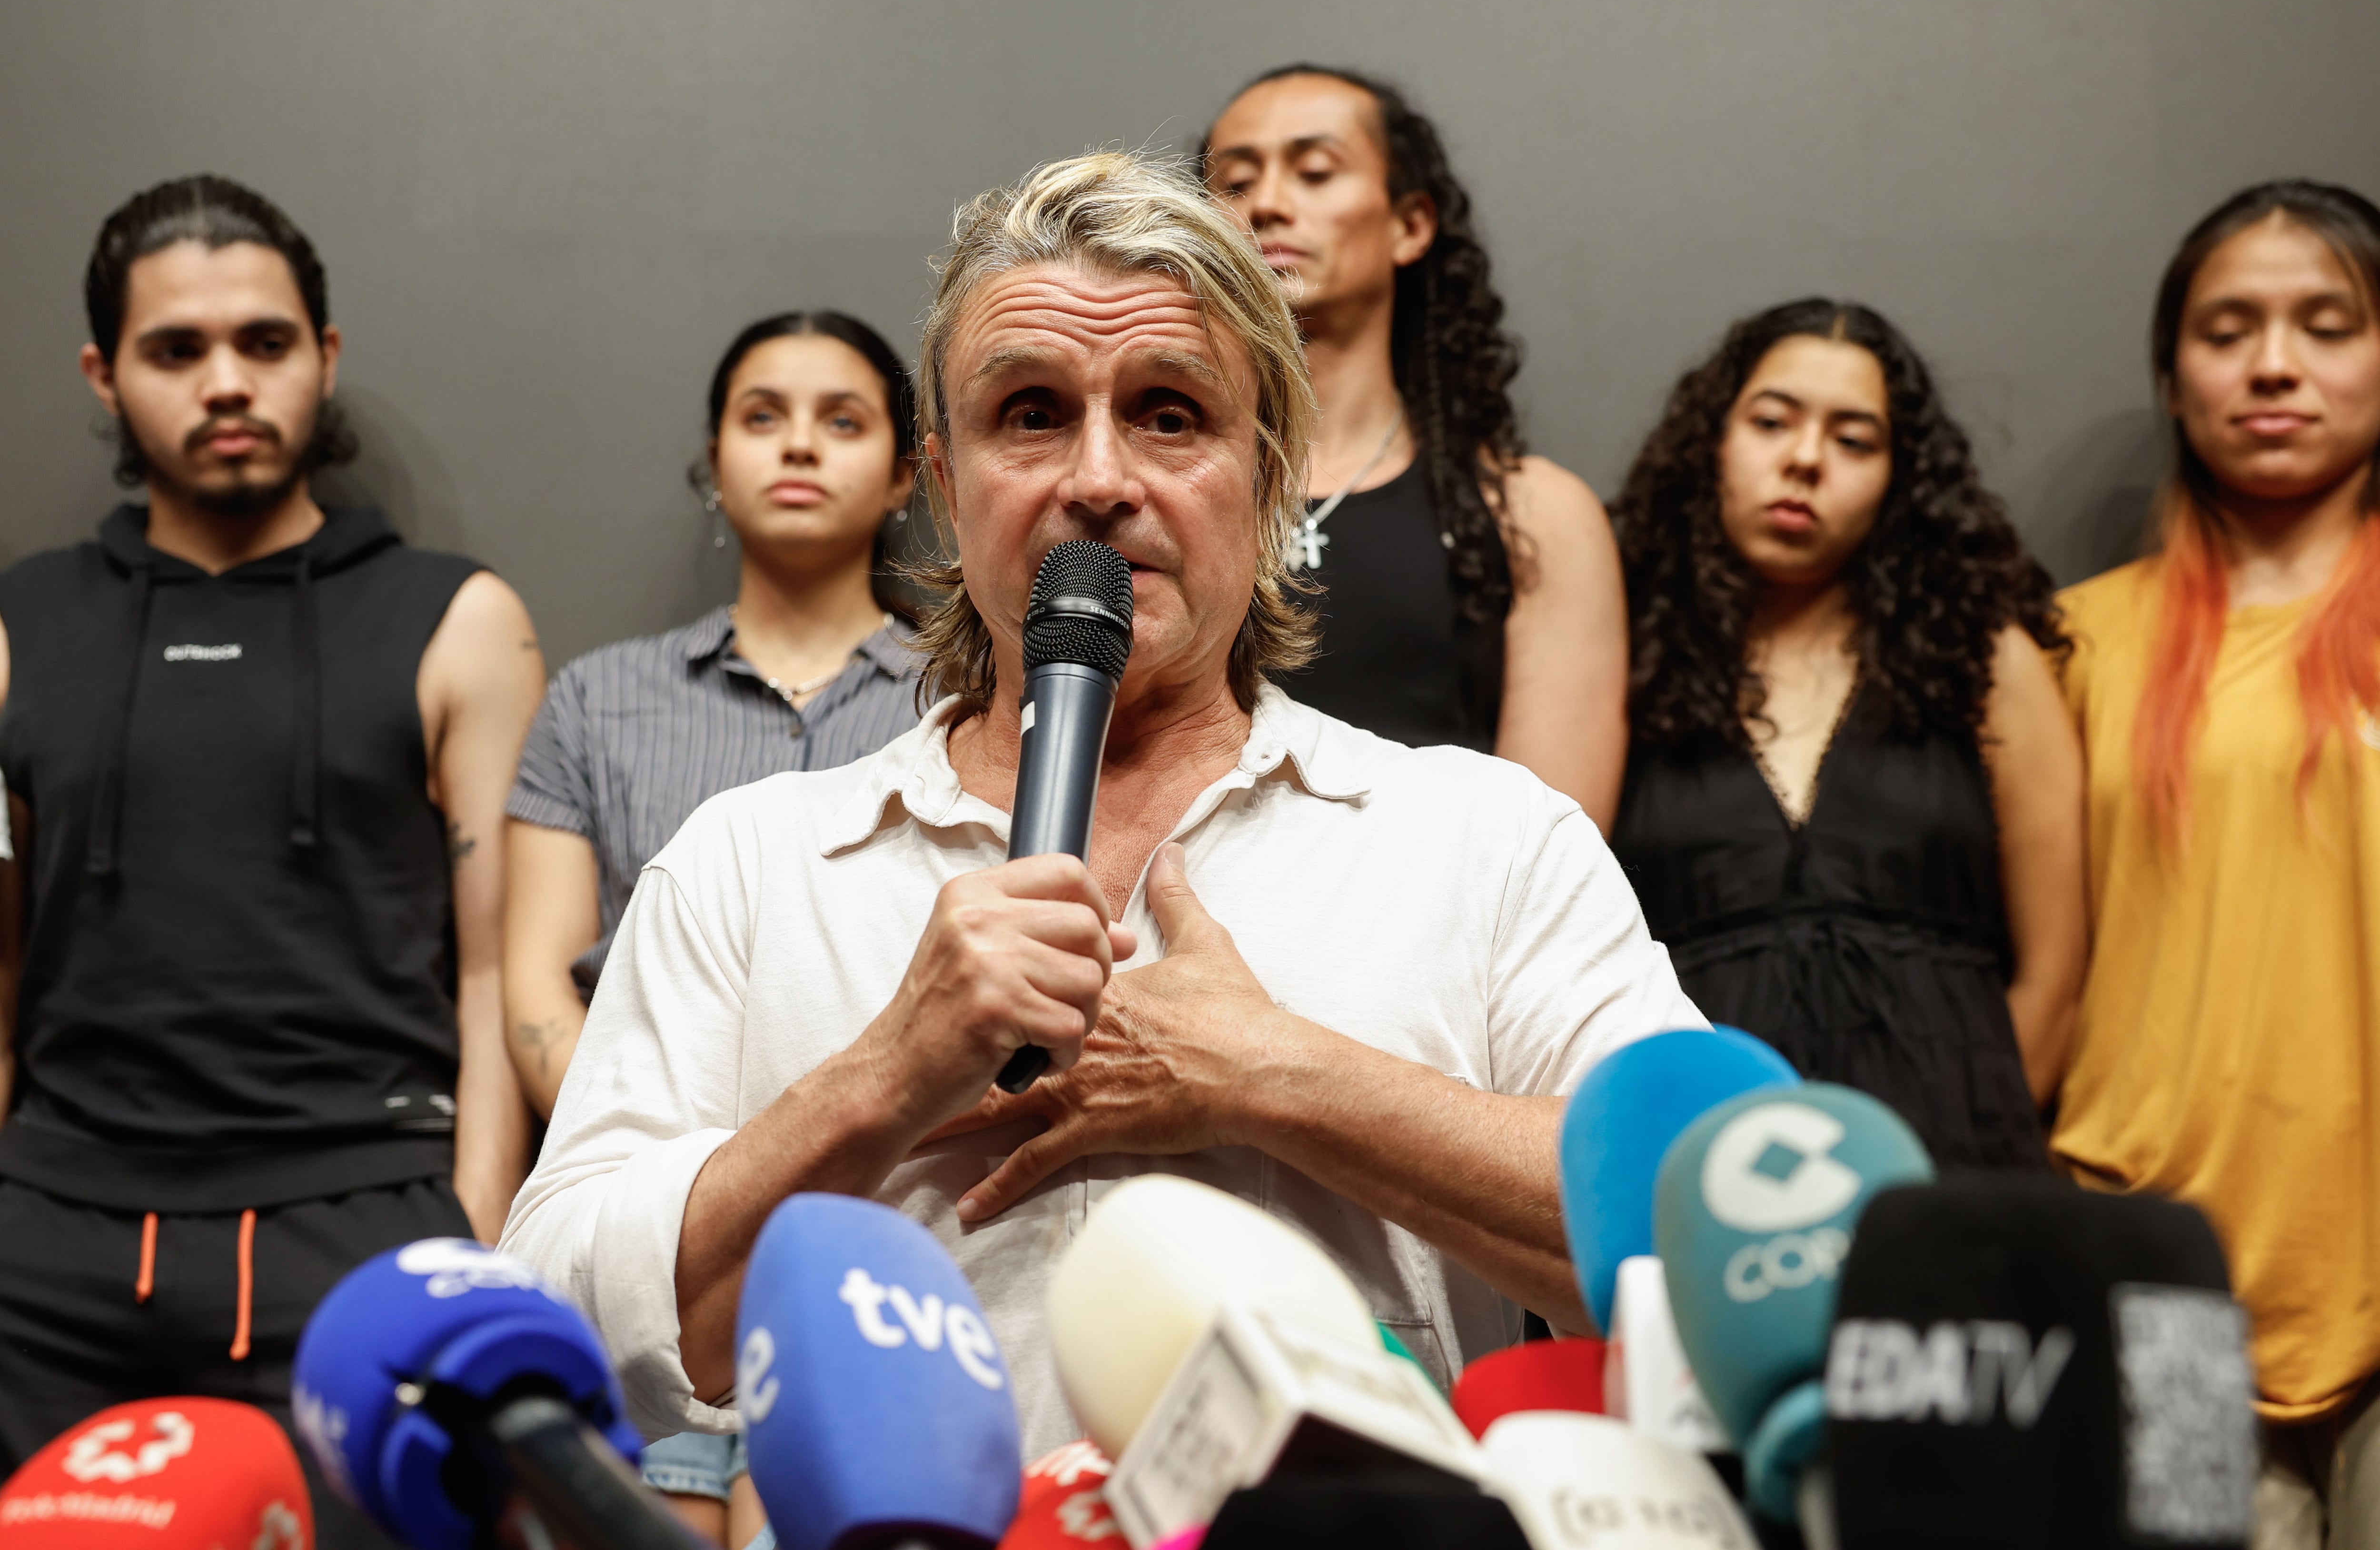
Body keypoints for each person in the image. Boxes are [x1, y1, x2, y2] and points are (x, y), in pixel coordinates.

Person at [501, 151, 1705, 1454]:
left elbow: (1704, 1260)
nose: (1099, 478)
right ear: (946, 487)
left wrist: (1280, 1077)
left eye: (1171, 414)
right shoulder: (750, 865)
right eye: (1029, 411)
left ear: (1270, 476)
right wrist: (886, 1072)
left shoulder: (1483, 840)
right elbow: (558, 1326)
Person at [0, 177, 543, 1546]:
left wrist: (466, 1243)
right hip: (52, 1236)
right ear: (104, 376)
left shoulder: (460, 621)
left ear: (326, 355)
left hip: (359, 1221)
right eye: (176, 350)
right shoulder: (15, 625)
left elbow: (493, 972)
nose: (227, 382)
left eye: (265, 342)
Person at [502, 311, 922, 1548]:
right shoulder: (596, 698)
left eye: (844, 419)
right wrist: (686, 1177)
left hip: (888, 1235)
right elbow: (532, 979)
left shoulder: (970, 700)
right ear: (712, 457)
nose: (800, 444)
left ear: (909, 472)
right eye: (763, 415)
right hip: (653, 1235)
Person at [2053, 180, 2380, 1548]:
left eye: (2327, 324)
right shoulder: (2070, 641)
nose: (2274, 365)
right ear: (2174, 374)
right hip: (2160, 1279)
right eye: (2229, 328)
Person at [1608, 298, 2085, 1170]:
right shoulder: (1620, 656)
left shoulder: (1987, 659)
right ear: (1712, 441)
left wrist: (1976, 1137)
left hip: (1955, 1175)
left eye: (1854, 439)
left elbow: (2055, 978)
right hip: (1699, 1182)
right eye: (1771, 421)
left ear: (1901, 479)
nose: (1804, 459)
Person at [1200, 67, 1628, 826]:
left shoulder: (1534, 515)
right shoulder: (1141, 491)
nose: (1266, 202)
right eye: (1234, 181)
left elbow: (1555, 851)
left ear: (1411, 225)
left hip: (1446, 933)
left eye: (1315, 171)